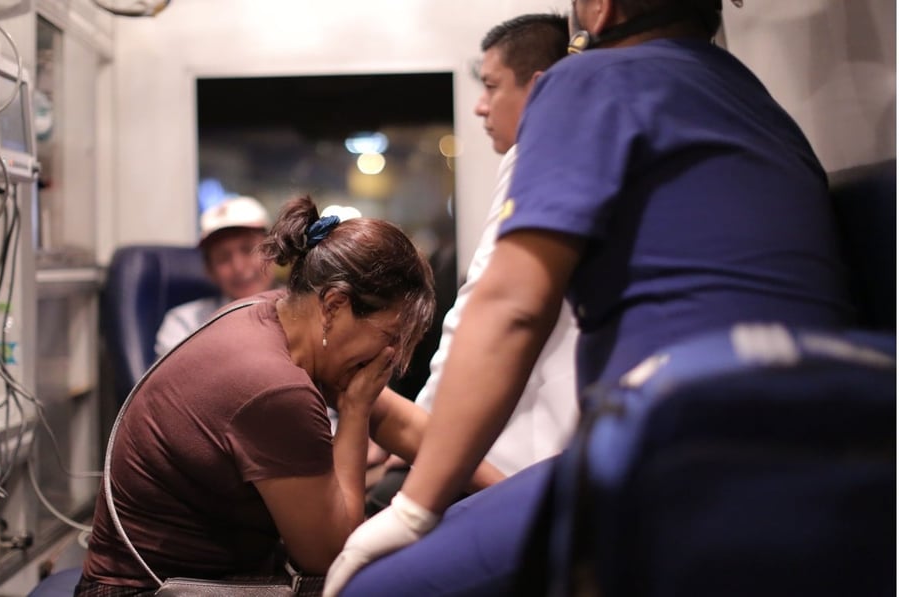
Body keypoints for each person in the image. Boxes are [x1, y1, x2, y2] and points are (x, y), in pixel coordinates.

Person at [325, 0, 856, 594]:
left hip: (682, 441)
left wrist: (412, 509)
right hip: (838, 430)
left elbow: (510, 309)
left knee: (367, 584)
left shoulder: (587, 80)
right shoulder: (760, 102)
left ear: (599, 9)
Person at [76, 195, 441, 595]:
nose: (386, 356)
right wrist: (354, 412)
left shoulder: (279, 313)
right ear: (335, 305)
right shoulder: (276, 386)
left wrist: (509, 491)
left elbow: (398, 421)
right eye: (388, 338)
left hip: (211, 571)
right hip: (145, 590)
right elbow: (332, 555)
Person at [366, 12, 578, 513]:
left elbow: (480, 313)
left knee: (377, 514)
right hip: (554, 444)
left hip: (521, 464)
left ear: (541, 89)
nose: (481, 107)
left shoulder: (537, 153)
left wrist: (421, 439)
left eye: (491, 86)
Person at [153, 195, 276, 357]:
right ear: (210, 271)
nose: (238, 267)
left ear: (274, 253)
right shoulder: (184, 324)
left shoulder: (305, 310)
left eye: (248, 250)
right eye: (223, 257)